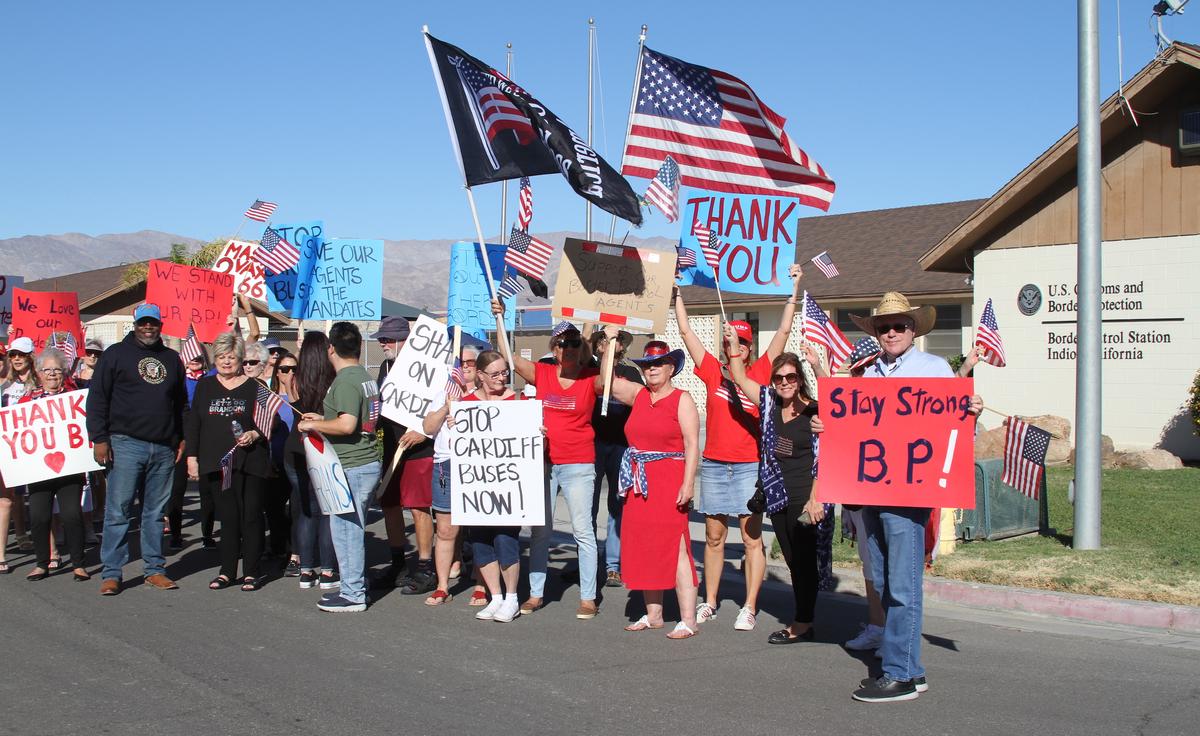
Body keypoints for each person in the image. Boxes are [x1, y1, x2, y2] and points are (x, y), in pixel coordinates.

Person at [843, 292, 983, 703]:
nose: (891, 332)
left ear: (913, 330)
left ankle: (900, 674)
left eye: (899, 326)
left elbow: (956, 433)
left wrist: (969, 412)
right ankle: (909, 667)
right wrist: (827, 426)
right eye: (884, 327)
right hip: (871, 491)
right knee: (885, 581)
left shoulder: (935, 369)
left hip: (910, 494)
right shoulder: (867, 377)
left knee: (903, 585)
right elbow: (854, 431)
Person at [672, 264, 804, 632]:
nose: (737, 346)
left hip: (749, 466)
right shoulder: (712, 370)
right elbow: (684, 332)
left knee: (750, 538)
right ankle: (710, 601)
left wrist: (794, 290)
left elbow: (783, 330)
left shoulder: (763, 371)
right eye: (732, 341)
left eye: (742, 342)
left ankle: (748, 606)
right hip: (714, 465)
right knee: (713, 537)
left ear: (749, 348)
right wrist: (677, 293)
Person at [494, 302, 601, 619]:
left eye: (573, 343)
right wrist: (499, 317)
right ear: (553, 348)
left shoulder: (591, 377)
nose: (567, 348)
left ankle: (588, 597)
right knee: (540, 530)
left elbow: (607, 376)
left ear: (580, 348)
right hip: (543, 462)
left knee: (583, 531)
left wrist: (603, 332)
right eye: (562, 343)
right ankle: (536, 593)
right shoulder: (541, 373)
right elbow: (510, 360)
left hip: (579, 463)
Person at [725, 327, 825, 644]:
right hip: (777, 494)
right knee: (794, 561)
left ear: (800, 379)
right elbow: (739, 377)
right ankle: (805, 618)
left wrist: (816, 499)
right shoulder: (770, 404)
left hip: (806, 495)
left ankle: (801, 623)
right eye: (779, 377)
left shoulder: (815, 411)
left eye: (791, 377)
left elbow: (828, 455)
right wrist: (733, 346)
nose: (784, 382)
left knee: (805, 562)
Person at [603, 339, 701, 639]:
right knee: (644, 546)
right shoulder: (639, 395)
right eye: (646, 365)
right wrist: (609, 339)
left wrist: (688, 483)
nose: (652, 369)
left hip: (669, 478)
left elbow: (692, 443)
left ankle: (688, 619)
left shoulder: (682, 399)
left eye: (658, 364)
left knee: (678, 548)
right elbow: (606, 377)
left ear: (671, 368)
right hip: (639, 480)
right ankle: (654, 614)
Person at [87, 303, 187, 596]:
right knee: (118, 511)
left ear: (160, 325)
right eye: (143, 322)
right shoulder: (116, 354)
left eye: (153, 323)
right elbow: (97, 399)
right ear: (135, 324)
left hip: (164, 447)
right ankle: (112, 573)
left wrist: (181, 438)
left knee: (155, 513)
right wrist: (99, 438)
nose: (148, 327)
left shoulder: (171, 359)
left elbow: (181, 403)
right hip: (125, 443)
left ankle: (154, 569)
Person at [424, 349, 524, 620]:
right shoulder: (465, 403)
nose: (502, 378)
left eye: (505, 372)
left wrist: (537, 433)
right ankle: (496, 596)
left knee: (505, 539)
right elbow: (452, 439)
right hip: (476, 485)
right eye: (495, 374)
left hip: (505, 485)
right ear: (480, 376)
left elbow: (527, 443)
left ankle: (512, 597)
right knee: (480, 541)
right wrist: (456, 424)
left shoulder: (518, 400)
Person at [295, 322, 381, 613]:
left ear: (331, 348)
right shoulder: (362, 376)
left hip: (353, 464)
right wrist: (321, 417)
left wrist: (313, 424)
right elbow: (349, 417)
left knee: (346, 530)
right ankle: (353, 586)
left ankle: (353, 592)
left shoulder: (345, 380)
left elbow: (347, 424)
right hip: (363, 461)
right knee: (348, 527)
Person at [186, 332, 273, 591]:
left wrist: (255, 433)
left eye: (232, 357)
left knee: (252, 516)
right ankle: (226, 571)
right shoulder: (205, 385)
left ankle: (252, 571)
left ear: (240, 359)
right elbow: (194, 423)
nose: (226, 362)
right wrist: (192, 458)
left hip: (251, 461)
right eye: (222, 357)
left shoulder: (256, 386)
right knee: (228, 517)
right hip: (217, 462)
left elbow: (272, 420)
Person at [370, 316, 437, 594]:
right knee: (390, 504)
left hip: (419, 449)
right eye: (382, 338)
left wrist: (424, 432)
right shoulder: (386, 366)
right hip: (391, 448)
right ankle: (398, 563)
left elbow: (442, 407)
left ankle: (425, 567)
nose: (383, 343)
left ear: (406, 340)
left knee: (419, 508)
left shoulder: (429, 368)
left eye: (389, 338)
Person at [418, 341, 483, 606]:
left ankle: (481, 585)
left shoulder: (486, 394)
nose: (464, 368)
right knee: (445, 530)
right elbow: (427, 426)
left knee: (480, 528)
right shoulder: (444, 392)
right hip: (446, 465)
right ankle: (443, 586)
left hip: (478, 466)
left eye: (470, 363)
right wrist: (447, 407)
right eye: (460, 363)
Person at [21, 348, 90, 582]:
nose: (52, 374)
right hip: (38, 469)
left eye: (57, 370)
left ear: (64, 373)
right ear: (38, 373)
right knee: (39, 517)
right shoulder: (27, 401)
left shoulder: (76, 397)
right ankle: (42, 563)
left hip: (70, 468)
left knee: (72, 515)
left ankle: (79, 564)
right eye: (47, 370)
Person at [838, 336, 888, 653]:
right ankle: (878, 625)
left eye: (871, 366)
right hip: (860, 497)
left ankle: (892, 629)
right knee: (870, 564)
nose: (866, 374)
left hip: (894, 500)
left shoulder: (901, 402)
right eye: (861, 369)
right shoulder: (850, 406)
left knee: (892, 565)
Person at [588, 329, 643, 589]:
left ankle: (613, 566)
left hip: (621, 445)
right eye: (605, 339)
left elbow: (641, 405)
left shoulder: (631, 373)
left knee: (617, 504)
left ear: (622, 346)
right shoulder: (588, 368)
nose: (610, 343)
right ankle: (585, 562)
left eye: (616, 339)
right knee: (587, 506)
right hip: (592, 444)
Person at [283, 333, 338, 590]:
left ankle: (306, 570)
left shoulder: (294, 378)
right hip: (322, 449)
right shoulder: (333, 380)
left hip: (295, 450)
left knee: (306, 512)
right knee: (327, 511)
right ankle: (327, 571)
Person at [165, 344, 211, 550]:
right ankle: (175, 534)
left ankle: (208, 534)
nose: (194, 361)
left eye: (198, 358)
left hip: (204, 436)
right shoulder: (176, 380)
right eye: (190, 357)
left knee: (208, 490)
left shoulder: (210, 379)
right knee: (177, 489)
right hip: (182, 438)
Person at [0, 336, 37, 563]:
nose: (16, 359)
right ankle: (5, 550)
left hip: (33, 446)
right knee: (8, 498)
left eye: (21, 355)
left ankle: (47, 548)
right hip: (7, 447)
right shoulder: (5, 386)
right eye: (13, 355)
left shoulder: (40, 382)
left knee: (31, 495)